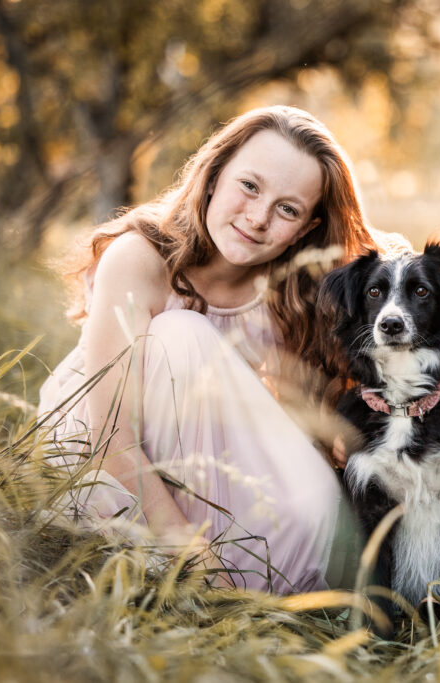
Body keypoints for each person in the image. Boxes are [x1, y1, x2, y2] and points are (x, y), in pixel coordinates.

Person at [39, 105, 402, 592]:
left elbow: (301, 436)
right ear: (214, 176)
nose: (257, 218)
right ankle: (202, 577)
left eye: (287, 209)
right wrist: (193, 555)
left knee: (318, 508)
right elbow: (112, 440)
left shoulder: (292, 296)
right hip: (115, 460)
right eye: (249, 186)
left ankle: (267, 584)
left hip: (214, 462)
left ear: (308, 229)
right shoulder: (140, 260)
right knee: (181, 332)